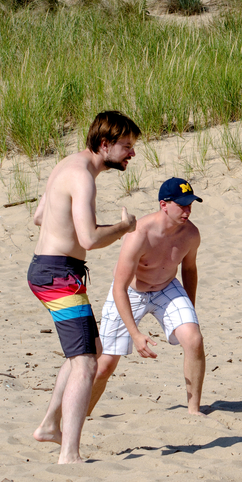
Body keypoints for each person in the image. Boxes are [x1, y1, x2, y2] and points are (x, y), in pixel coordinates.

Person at [28, 111, 139, 464]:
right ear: (104, 144)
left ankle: (49, 425)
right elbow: (89, 239)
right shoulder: (83, 178)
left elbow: (40, 216)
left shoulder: (68, 165)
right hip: (57, 275)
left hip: (53, 270)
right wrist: (124, 228)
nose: (131, 154)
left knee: (88, 348)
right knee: (86, 363)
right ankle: (69, 454)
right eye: (126, 146)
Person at [89, 178, 206, 416]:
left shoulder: (191, 234)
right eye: (182, 205)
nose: (187, 210)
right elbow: (119, 287)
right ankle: (83, 414)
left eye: (190, 204)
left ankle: (193, 411)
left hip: (166, 287)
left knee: (194, 340)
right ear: (164, 204)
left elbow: (189, 269)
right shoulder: (139, 233)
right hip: (131, 291)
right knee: (105, 366)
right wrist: (136, 334)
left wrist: (189, 309)